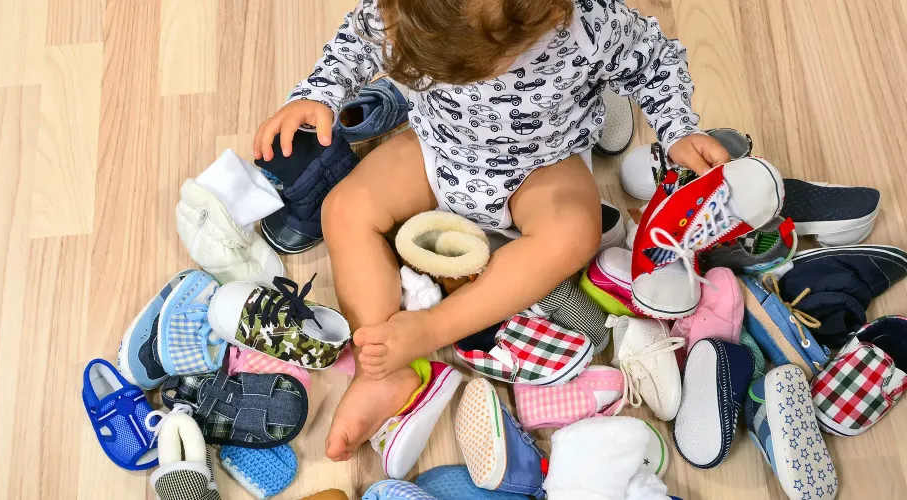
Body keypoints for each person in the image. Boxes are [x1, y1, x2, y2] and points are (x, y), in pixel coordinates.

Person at [252, 0, 729, 462]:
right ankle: (380, 368)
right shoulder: (399, 12)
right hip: (439, 151)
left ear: (547, 14)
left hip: (543, 165)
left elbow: (655, 58)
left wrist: (678, 130)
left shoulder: (587, 24)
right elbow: (356, 43)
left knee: (574, 233)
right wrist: (316, 94)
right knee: (343, 208)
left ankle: (432, 328)